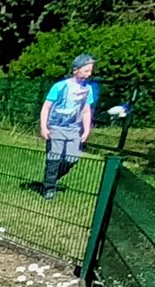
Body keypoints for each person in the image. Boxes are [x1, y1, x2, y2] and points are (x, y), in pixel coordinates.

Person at [38, 55, 97, 200]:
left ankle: (50, 178)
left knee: (72, 158)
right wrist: (43, 127)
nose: (88, 75)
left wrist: (86, 129)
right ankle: (49, 188)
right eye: (85, 71)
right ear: (75, 70)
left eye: (90, 71)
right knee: (54, 157)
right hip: (56, 126)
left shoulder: (88, 89)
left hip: (74, 129)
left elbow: (86, 110)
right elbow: (46, 107)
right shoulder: (60, 86)